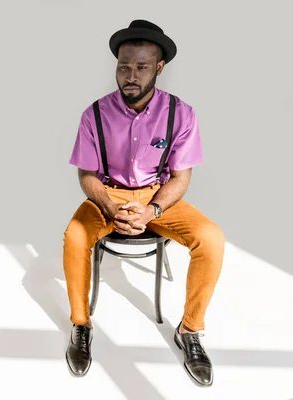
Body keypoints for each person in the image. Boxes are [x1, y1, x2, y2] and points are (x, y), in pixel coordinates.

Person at [63, 19, 225, 386]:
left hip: (158, 196)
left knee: (211, 238)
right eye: (124, 66)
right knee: (75, 236)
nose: (130, 76)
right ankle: (80, 325)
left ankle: (190, 330)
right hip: (110, 193)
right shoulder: (95, 114)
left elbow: (181, 177)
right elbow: (86, 174)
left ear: (159, 68)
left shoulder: (180, 114)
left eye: (141, 67)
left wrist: (151, 209)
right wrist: (109, 205)